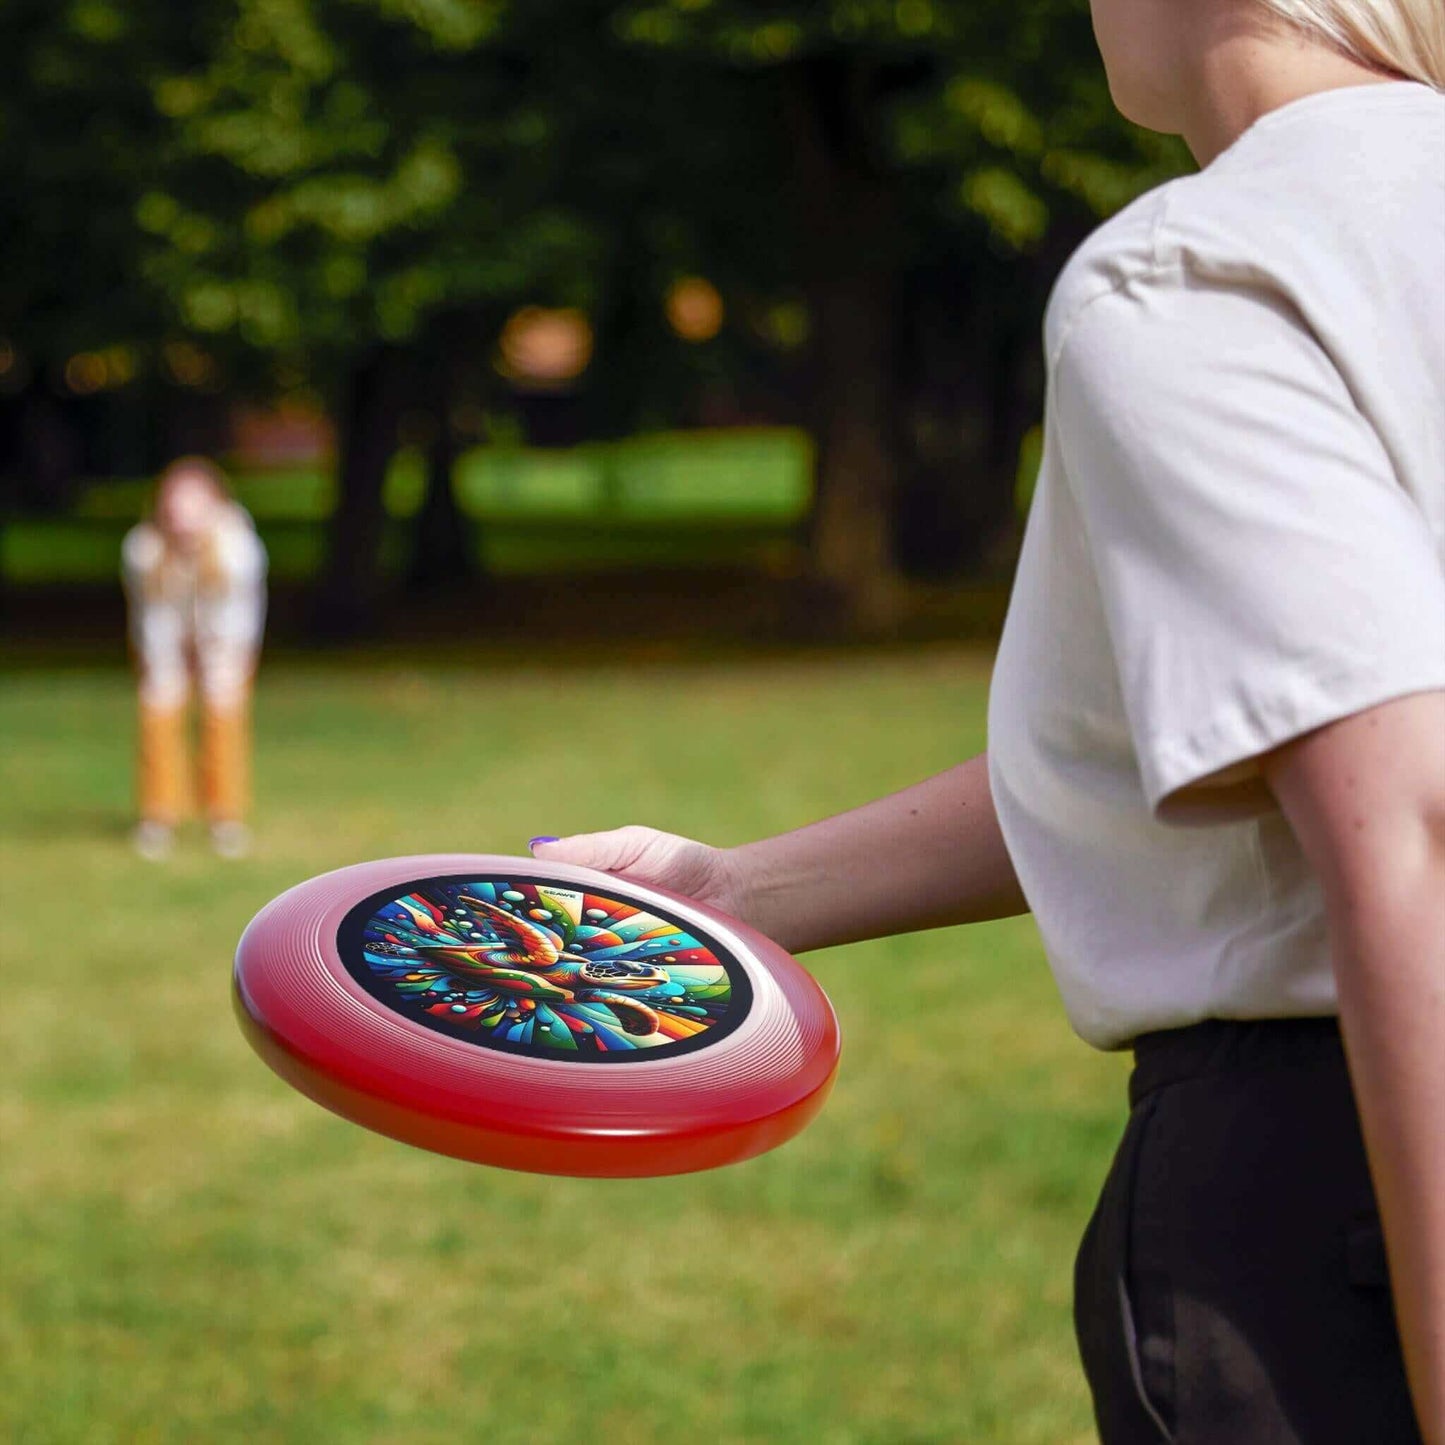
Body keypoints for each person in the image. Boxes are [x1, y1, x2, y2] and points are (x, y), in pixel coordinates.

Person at [526, 2, 1445, 1440]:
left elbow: (1410, 823)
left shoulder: (1204, 272)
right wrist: (739, 890)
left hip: (1339, 1196)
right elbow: (1218, 739)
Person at [122, 457, 267, 860]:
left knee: (223, 715)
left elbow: (236, 617)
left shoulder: (238, 548)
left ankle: (225, 817)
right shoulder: (143, 550)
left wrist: (217, 663)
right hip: (165, 640)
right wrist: (165, 666)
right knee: (159, 709)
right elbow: (153, 617)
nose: (183, 514)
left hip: (225, 641)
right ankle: (159, 816)